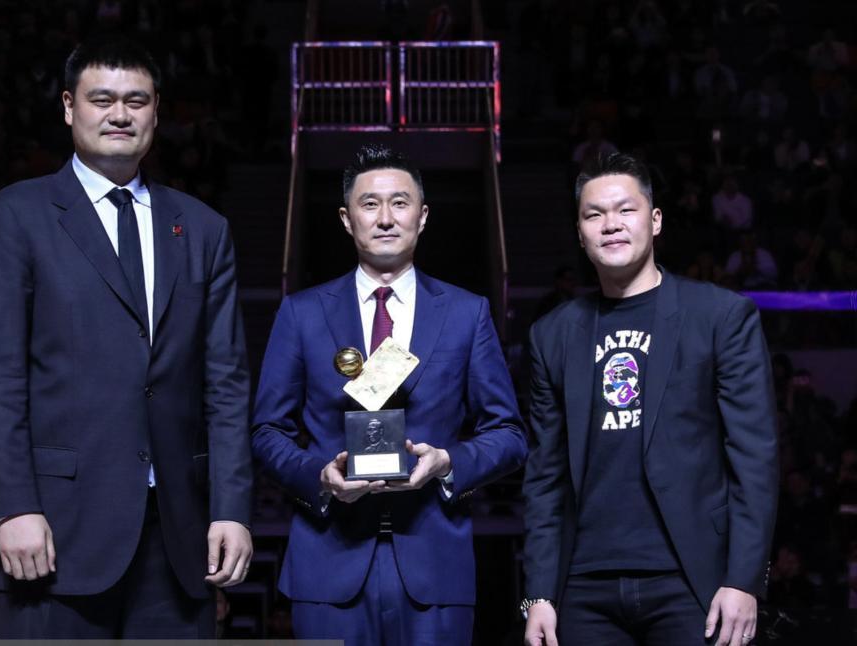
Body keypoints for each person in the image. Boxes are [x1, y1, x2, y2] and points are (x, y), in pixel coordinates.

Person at [0, 35, 253, 638]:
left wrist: (231, 509)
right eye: (102, 99)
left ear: (156, 112)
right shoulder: (14, 216)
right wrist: (13, 505)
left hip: (177, 539)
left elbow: (224, 384)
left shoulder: (202, 228)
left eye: (136, 101)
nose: (120, 114)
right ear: (70, 107)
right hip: (50, 531)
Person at [252, 144, 528, 645]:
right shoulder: (302, 313)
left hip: (435, 563)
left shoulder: (467, 313)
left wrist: (448, 463)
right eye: (369, 204)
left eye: (400, 203)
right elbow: (267, 431)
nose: (385, 218)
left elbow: (508, 433)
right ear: (346, 218)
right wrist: (318, 476)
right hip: (327, 561)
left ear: (422, 217)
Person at [522, 153, 778, 646]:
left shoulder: (720, 317)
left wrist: (744, 579)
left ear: (655, 220)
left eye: (626, 210)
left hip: (692, 580)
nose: (611, 224)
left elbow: (755, 458)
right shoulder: (552, 335)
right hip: (583, 586)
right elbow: (544, 477)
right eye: (594, 215)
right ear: (580, 233)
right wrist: (538, 594)